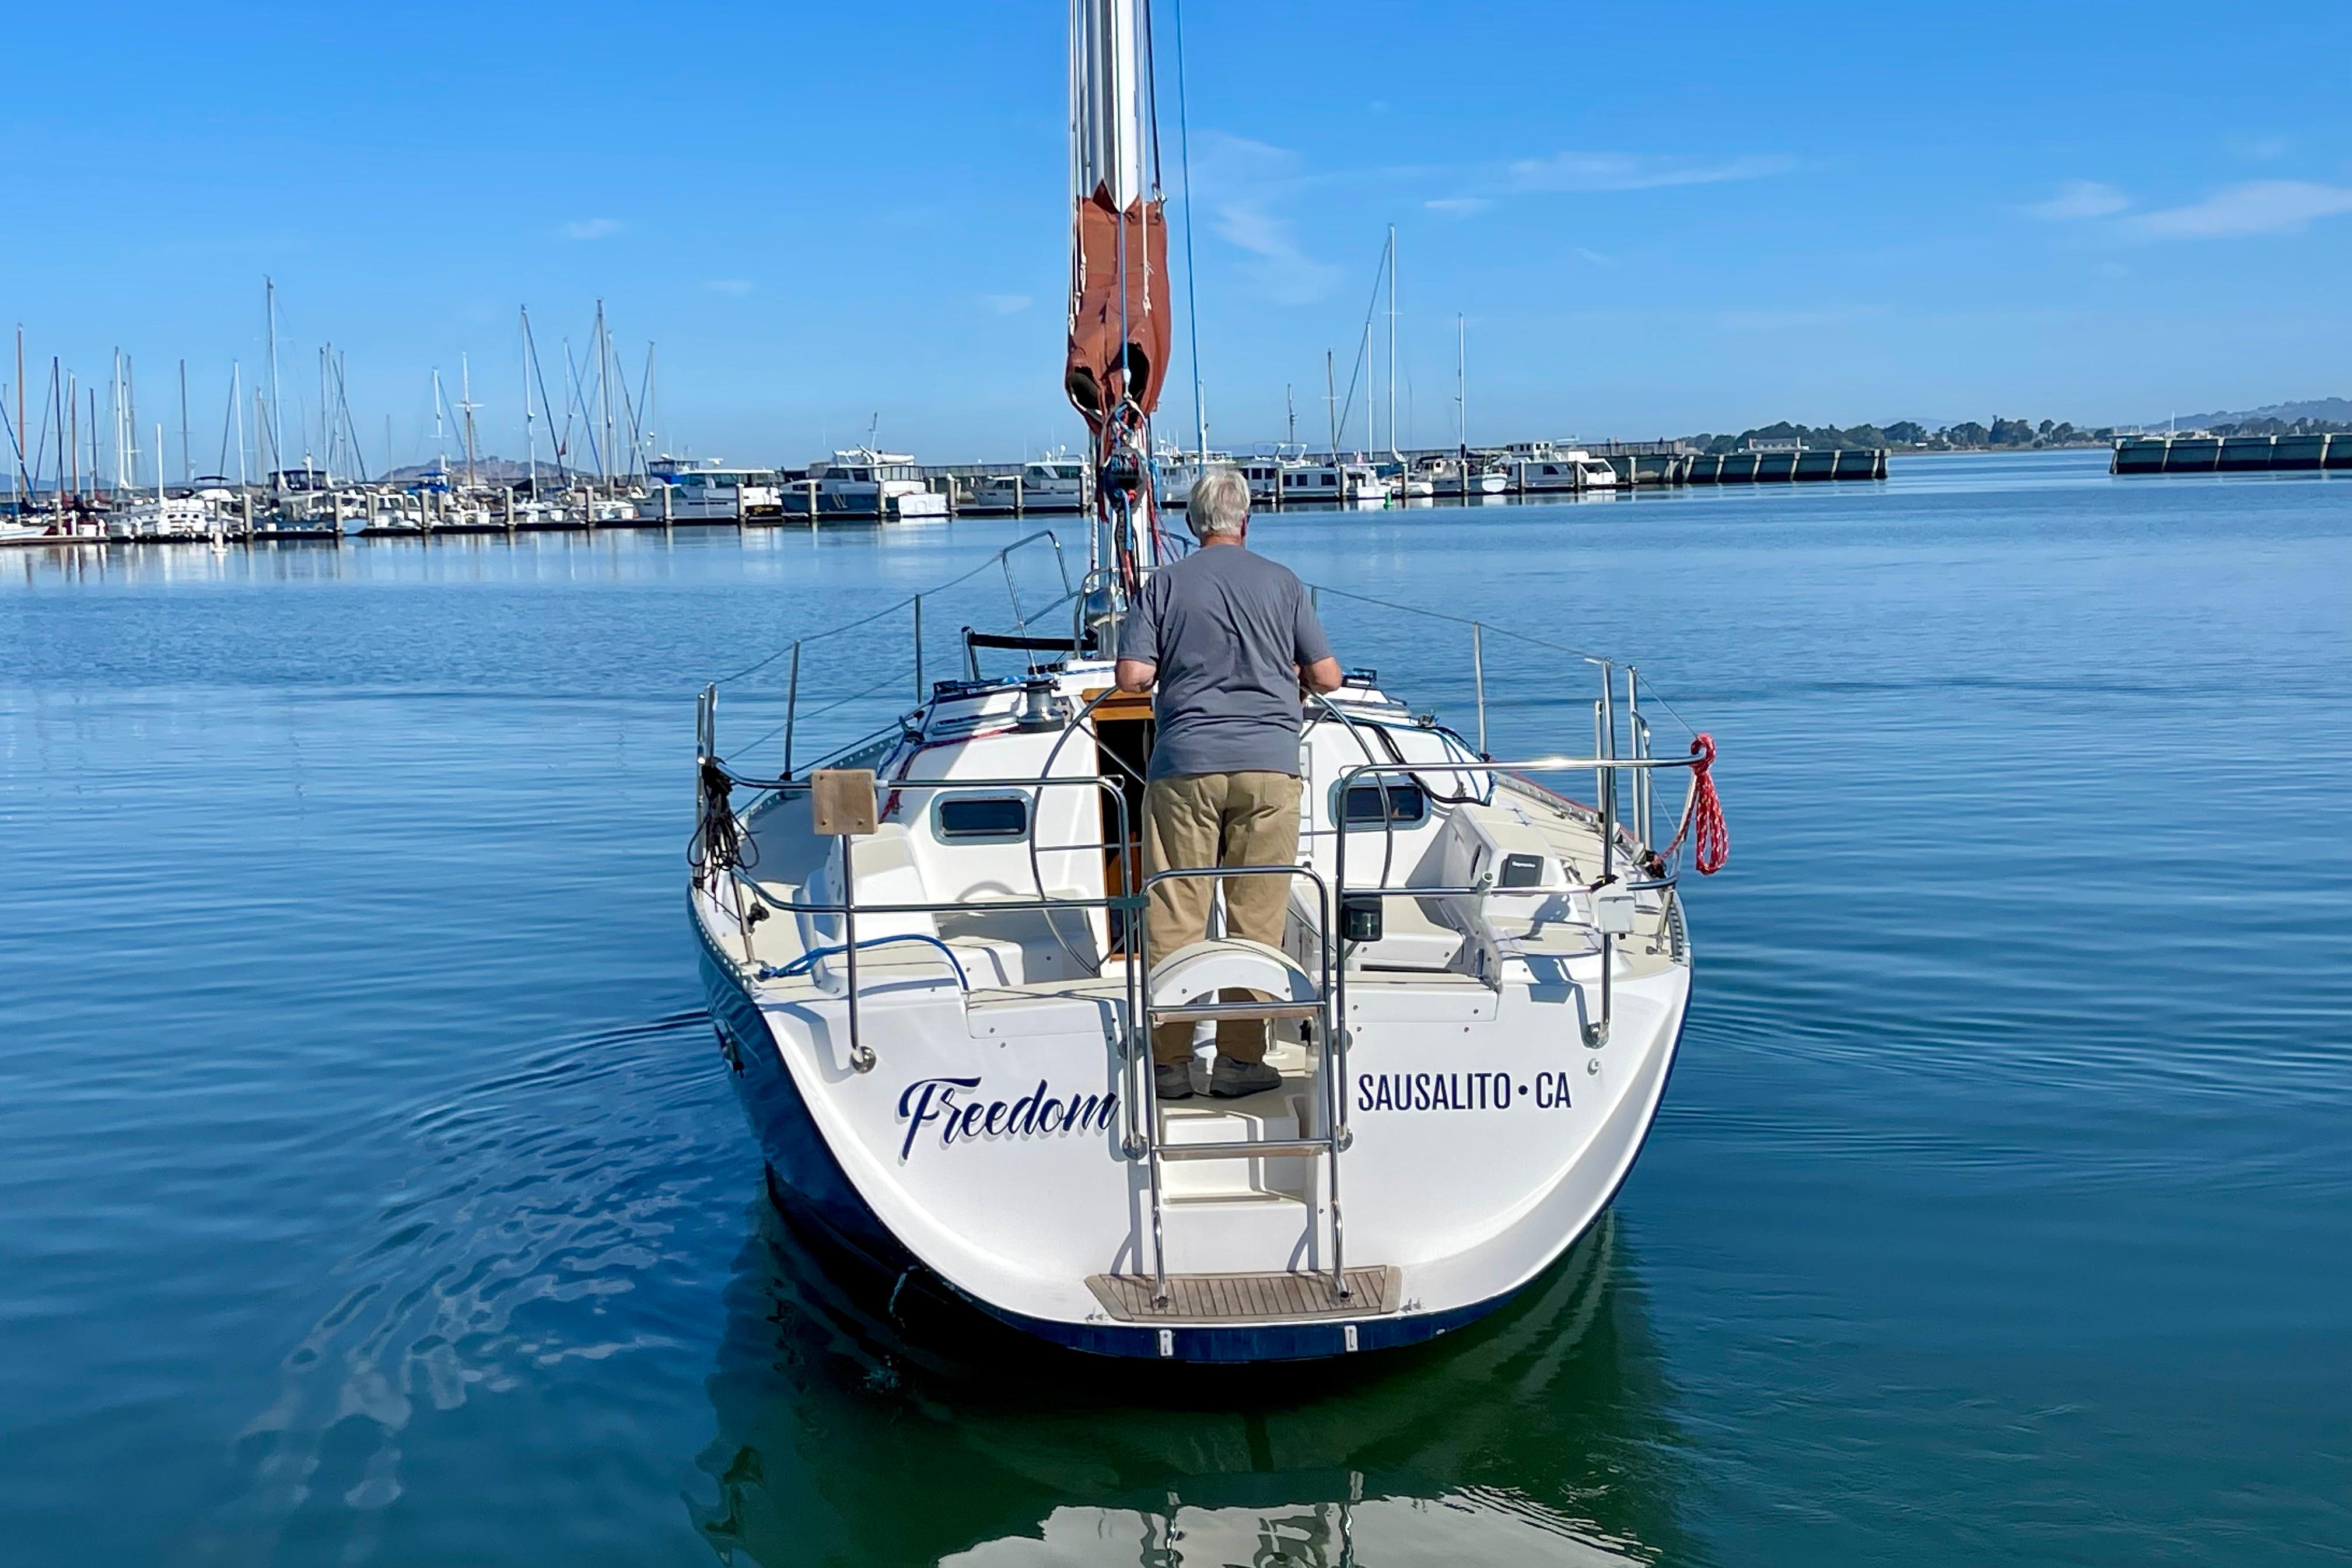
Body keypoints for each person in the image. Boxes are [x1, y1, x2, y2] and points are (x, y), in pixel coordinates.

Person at [1114, 466, 1343, 1101]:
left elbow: (1133, 675)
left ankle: (1169, 1064)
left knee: (1175, 911)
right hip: (1270, 766)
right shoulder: (1284, 584)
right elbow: (1327, 677)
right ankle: (1240, 1062)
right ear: (1245, 520)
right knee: (1257, 917)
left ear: (1193, 523)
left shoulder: (1165, 584)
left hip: (1185, 764)